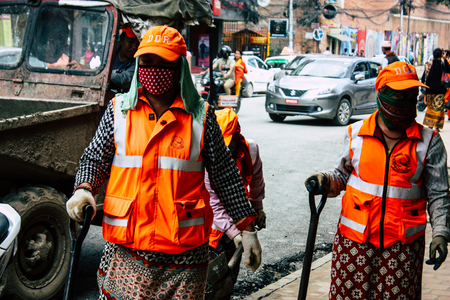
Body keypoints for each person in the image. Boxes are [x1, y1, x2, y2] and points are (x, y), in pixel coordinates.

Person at [65, 25, 261, 299]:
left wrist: (247, 228)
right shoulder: (118, 111)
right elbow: (95, 157)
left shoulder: (202, 118)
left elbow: (226, 178)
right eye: (147, 62)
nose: (153, 69)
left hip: (184, 258)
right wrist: (84, 188)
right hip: (126, 250)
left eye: (163, 63)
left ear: (179, 66)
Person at [305, 61, 450, 300]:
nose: (405, 102)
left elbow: (439, 195)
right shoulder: (356, 134)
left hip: (402, 250)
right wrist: (324, 180)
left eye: (410, 95)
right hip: (354, 245)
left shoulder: (429, 142)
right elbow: (342, 175)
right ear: (381, 96)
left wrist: (441, 234)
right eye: (398, 95)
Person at [205, 108, 265, 300]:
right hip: (211, 231)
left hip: (239, 220)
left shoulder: (251, 150)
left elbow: (256, 181)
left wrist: (258, 208)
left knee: (227, 280)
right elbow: (214, 204)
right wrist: (235, 233)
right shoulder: (208, 158)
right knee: (208, 282)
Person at [422, 48, 450, 131]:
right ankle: (436, 126)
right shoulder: (442, 64)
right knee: (438, 108)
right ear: (441, 54)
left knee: (431, 108)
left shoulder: (429, 64)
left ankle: (430, 124)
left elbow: (424, 78)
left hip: (430, 89)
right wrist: (445, 59)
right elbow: (449, 70)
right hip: (440, 89)